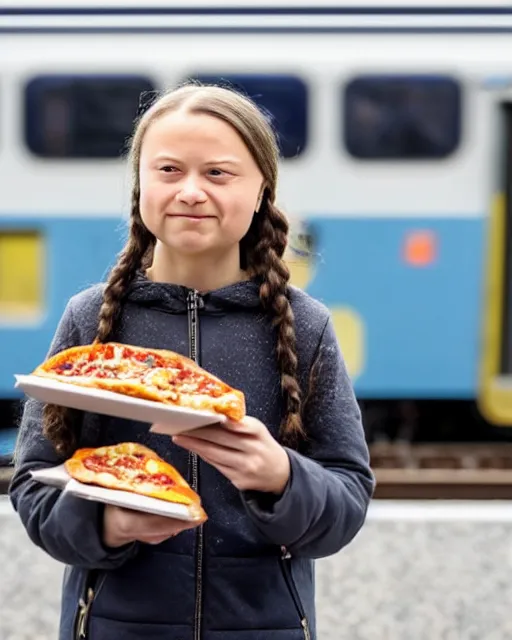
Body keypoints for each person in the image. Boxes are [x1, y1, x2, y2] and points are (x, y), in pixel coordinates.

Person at [9, 82, 375, 640]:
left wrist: (281, 477)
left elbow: (347, 501)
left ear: (260, 193)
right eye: (168, 171)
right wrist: (109, 524)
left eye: (218, 174)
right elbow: (33, 487)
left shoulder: (307, 328)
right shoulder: (89, 319)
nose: (191, 191)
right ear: (140, 187)